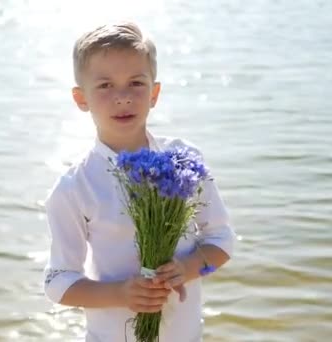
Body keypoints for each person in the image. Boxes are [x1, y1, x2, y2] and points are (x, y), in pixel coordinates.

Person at [43, 21, 236, 342]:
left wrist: (188, 268)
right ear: (81, 98)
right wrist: (120, 294)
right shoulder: (75, 187)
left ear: (154, 93)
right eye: (104, 86)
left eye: (136, 83)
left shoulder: (183, 160)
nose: (122, 97)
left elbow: (222, 242)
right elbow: (57, 283)